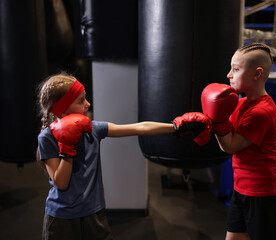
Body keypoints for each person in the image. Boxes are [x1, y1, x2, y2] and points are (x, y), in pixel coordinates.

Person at [36, 72, 211, 240]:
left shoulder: (93, 129)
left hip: (94, 213)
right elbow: (61, 182)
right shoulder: (47, 138)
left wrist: (176, 125)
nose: (88, 104)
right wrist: (67, 147)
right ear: (63, 110)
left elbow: (139, 127)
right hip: (62, 218)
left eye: (86, 97)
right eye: (81, 100)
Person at [201, 43, 276, 240]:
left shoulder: (261, 112)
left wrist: (216, 122)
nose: (229, 74)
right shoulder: (240, 103)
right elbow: (223, 128)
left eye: (236, 69)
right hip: (242, 188)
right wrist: (202, 121)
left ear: (257, 74)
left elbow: (229, 145)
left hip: (264, 192)